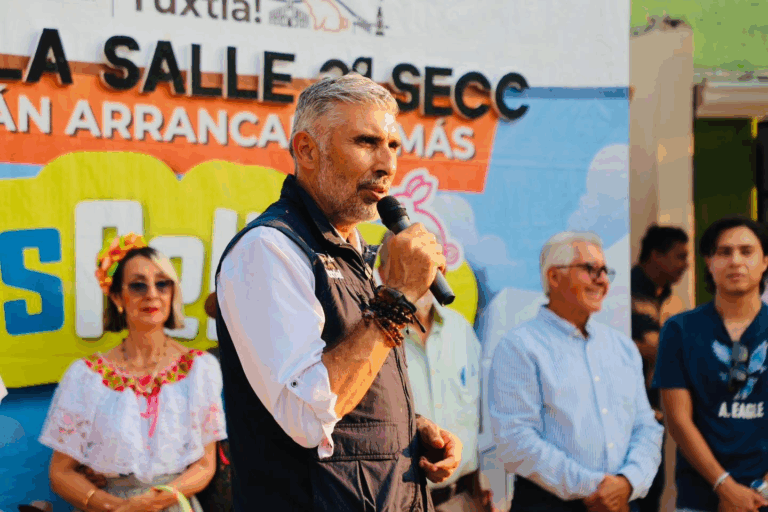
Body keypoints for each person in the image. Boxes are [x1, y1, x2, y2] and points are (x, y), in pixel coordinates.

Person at [214, 73, 462, 511]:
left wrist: (406, 427)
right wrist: (400, 294)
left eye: (394, 146)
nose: (387, 164)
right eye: (367, 142)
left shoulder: (354, 253)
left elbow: (348, 401)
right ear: (307, 150)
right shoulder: (268, 249)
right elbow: (308, 416)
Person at [39, 233, 227, 512]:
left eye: (162, 284)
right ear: (117, 296)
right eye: (138, 285)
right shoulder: (86, 376)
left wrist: (154, 500)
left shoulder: (199, 370)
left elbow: (204, 464)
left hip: (172, 504)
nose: (152, 293)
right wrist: (114, 506)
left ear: (172, 293)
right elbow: (61, 472)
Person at [489, 231, 663, 512]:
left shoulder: (621, 347)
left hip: (622, 501)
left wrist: (628, 483)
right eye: (590, 269)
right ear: (554, 277)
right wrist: (597, 488)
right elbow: (515, 441)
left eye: (605, 271)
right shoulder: (520, 346)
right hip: (549, 504)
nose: (602, 280)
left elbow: (646, 427)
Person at [653, 216, 768, 512]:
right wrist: (725, 487)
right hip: (701, 497)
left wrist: (761, 491)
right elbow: (678, 420)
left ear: (765, 261)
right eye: (724, 252)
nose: (735, 261)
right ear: (708, 262)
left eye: (746, 251)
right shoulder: (679, 330)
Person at [378, 236, 495, 512]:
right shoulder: (373, 334)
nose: (425, 274)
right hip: (398, 502)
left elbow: (479, 419)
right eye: (413, 264)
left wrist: (484, 490)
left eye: (432, 265)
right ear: (384, 273)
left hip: (461, 500)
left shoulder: (460, 330)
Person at [631, 224, 689, 512]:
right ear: (656, 255)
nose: (686, 266)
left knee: (654, 487)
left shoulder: (670, 298)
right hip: (628, 410)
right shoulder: (625, 292)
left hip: (658, 408)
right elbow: (654, 347)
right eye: (679, 256)